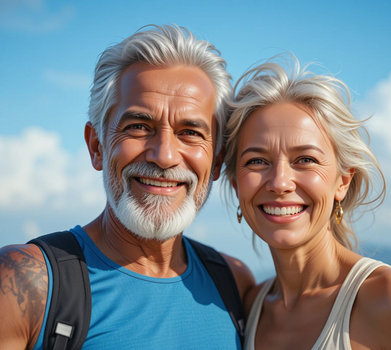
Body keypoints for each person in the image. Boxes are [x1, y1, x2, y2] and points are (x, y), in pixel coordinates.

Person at [0, 24, 254, 350]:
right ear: (97, 147)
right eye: (138, 126)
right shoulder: (26, 283)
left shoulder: (235, 284)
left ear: (217, 161)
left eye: (190, 132)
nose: (164, 156)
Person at [223, 58, 391, 349]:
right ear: (236, 184)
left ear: (342, 181)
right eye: (257, 161)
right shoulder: (250, 307)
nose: (279, 182)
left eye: (305, 160)